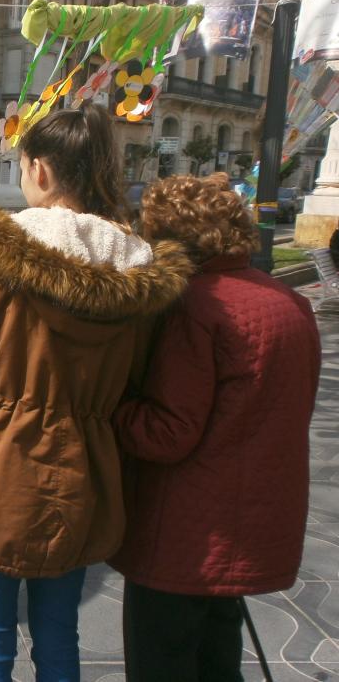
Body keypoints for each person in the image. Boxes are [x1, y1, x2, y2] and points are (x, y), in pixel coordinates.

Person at [0, 103, 194, 681]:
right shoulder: (138, 274)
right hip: (85, 473)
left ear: (40, 170)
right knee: (59, 639)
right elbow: (138, 379)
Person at [110, 173, 321, 682]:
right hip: (250, 520)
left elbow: (167, 433)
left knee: (163, 659)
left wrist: (109, 408)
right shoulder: (288, 301)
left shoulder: (195, 306)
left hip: (186, 533)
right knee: (219, 655)